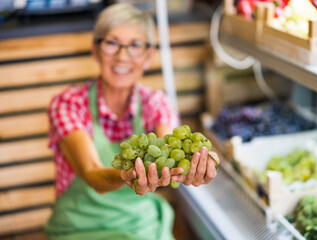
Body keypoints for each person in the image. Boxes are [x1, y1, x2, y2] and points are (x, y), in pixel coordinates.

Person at [44, 3, 220, 240]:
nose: (122, 56)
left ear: (148, 57)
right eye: (111, 43)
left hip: (141, 226)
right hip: (79, 228)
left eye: (135, 45)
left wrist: (197, 163)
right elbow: (92, 174)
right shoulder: (69, 104)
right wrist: (125, 175)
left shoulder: (156, 103)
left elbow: (168, 144)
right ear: (95, 51)